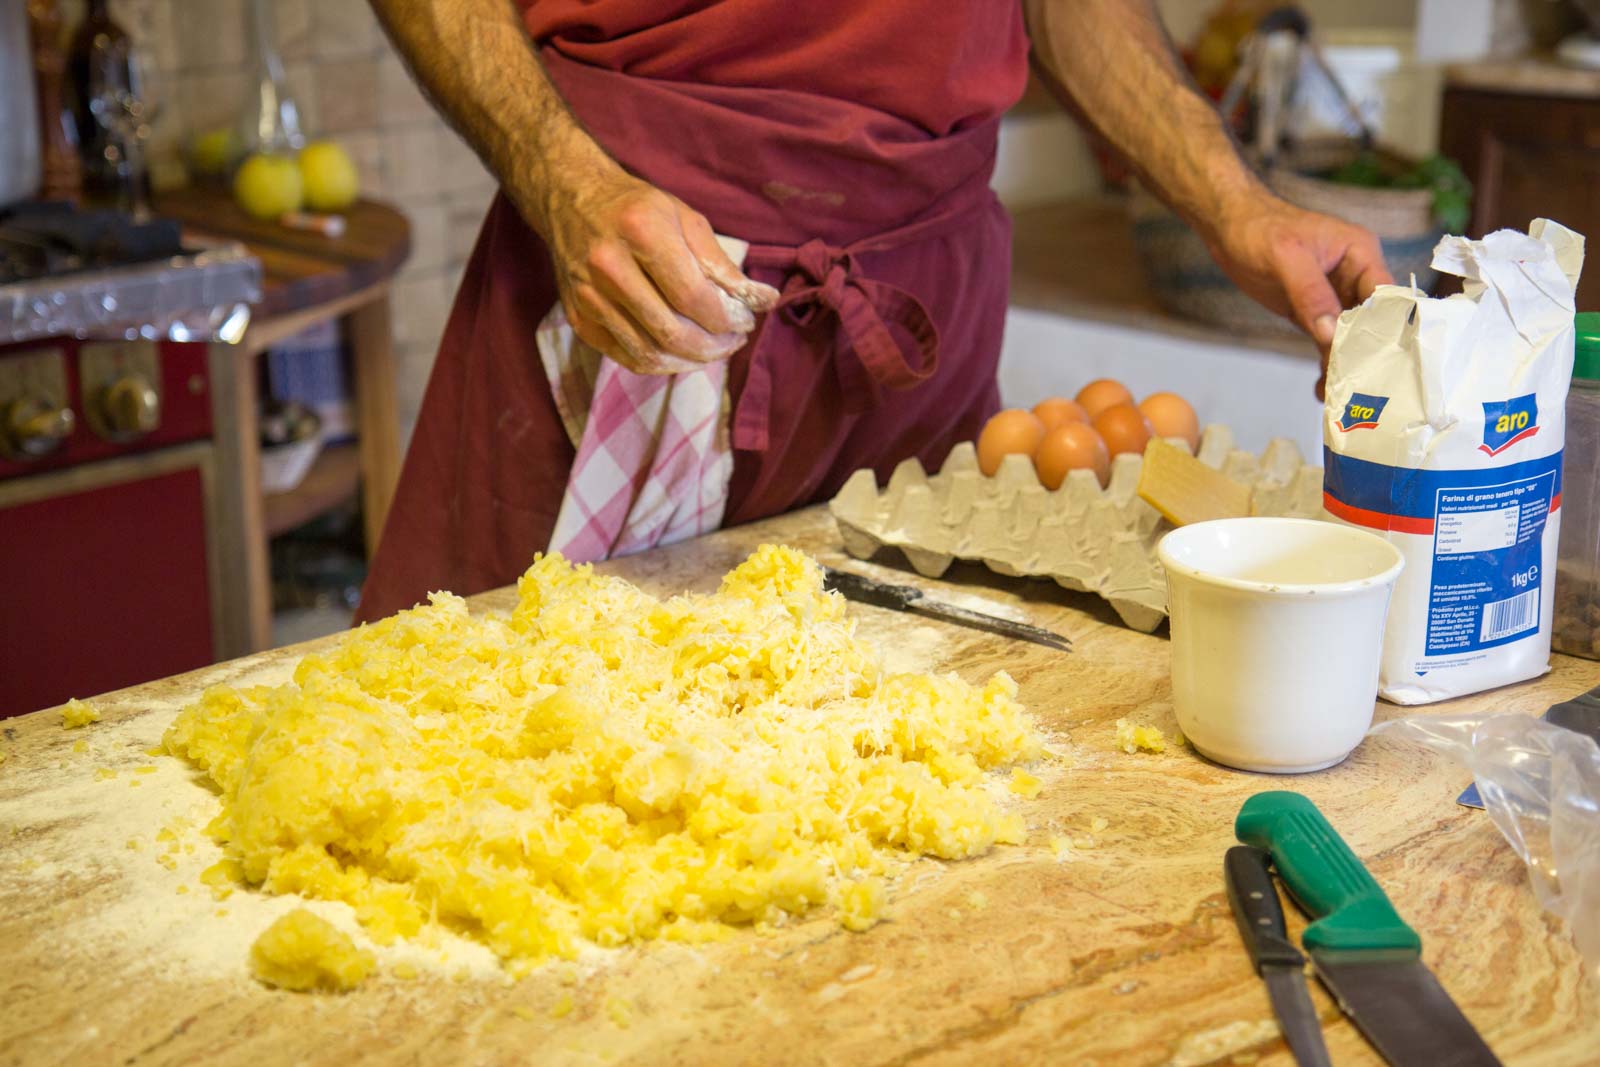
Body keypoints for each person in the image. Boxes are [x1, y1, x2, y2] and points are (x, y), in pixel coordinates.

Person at [355, 0, 1391, 622]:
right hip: (638, 282)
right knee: (511, 751)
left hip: (916, 308)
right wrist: (561, 180)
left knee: (894, 752)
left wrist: (1230, 199)